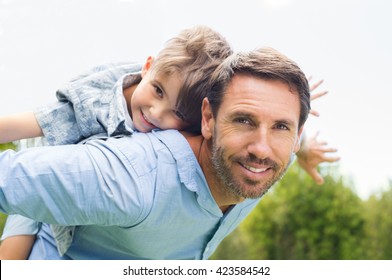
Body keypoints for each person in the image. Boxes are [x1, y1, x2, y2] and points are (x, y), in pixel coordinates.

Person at [0, 47, 333, 259]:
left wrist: (303, 154)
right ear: (208, 120)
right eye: (243, 121)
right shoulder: (135, 177)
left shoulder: (269, 159)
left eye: (281, 127)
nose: (261, 148)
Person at [0, 25, 234, 259]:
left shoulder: (184, 139)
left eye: (178, 114)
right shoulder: (93, 104)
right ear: (147, 66)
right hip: (50, 171)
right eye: (158, 91)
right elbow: (27, 124)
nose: (156, 112)